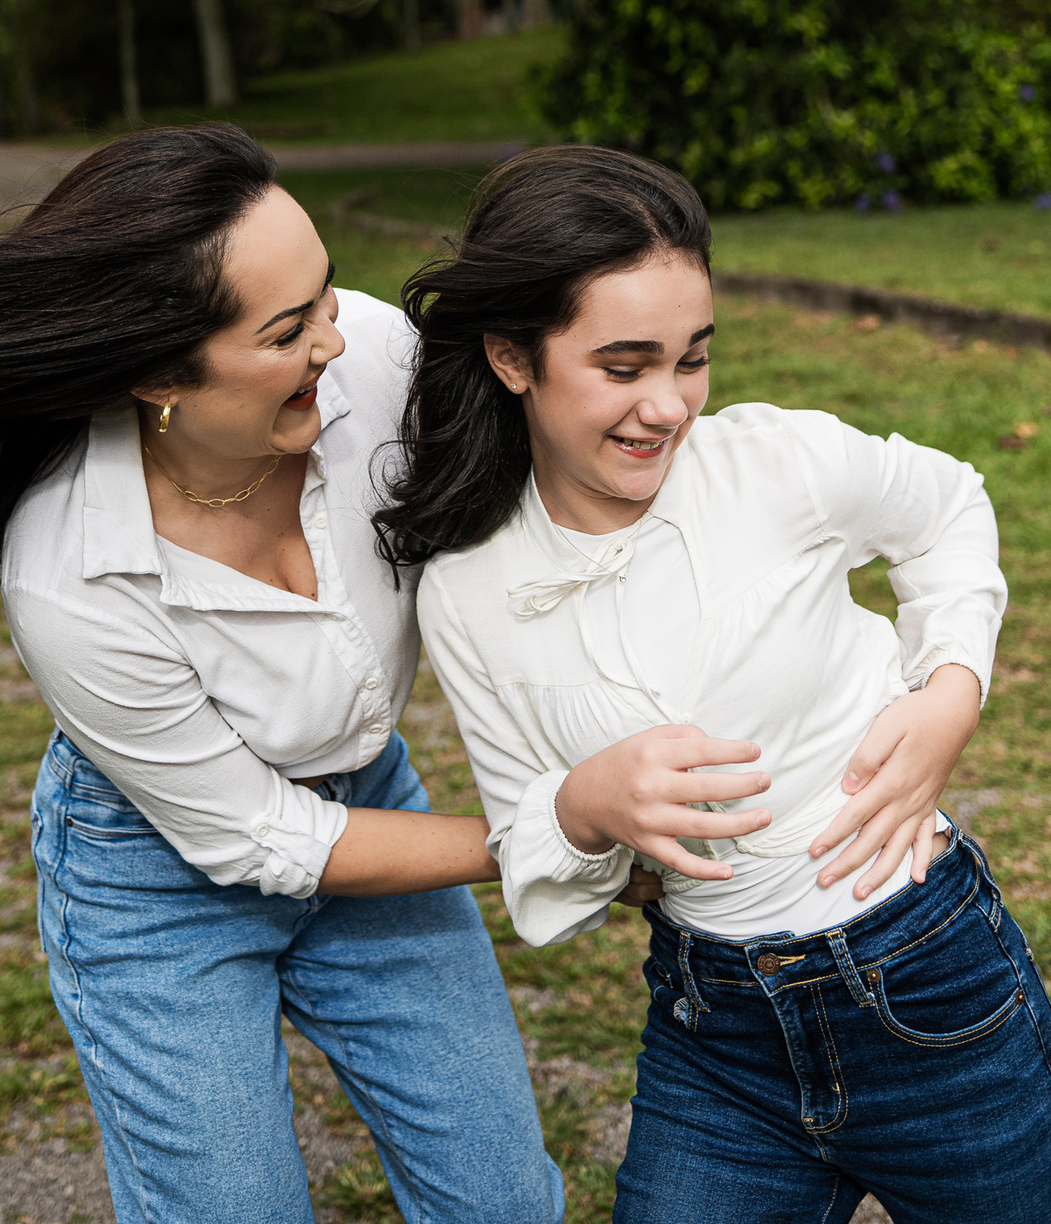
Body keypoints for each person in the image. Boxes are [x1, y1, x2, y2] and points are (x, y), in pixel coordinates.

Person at [0, 123, 564, 1224]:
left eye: (327, 292)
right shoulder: (77, 575)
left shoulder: (372, 358)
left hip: (366, 791)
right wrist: (549, 833)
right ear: (156, 376)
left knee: (506, 1201)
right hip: (155, 875)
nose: (337, 337)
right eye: (288, 330)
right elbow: (258, 839)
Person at [375, 144, 1051, 1224]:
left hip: (928, 987)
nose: (669, 406)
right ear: (512, 357)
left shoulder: (772, 466)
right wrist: (588, 806)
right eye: (624, 364)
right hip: (714, 1032)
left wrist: (951, 691)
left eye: (692, 358)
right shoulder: (468, 591)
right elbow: (532, 850)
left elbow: (951, 509)